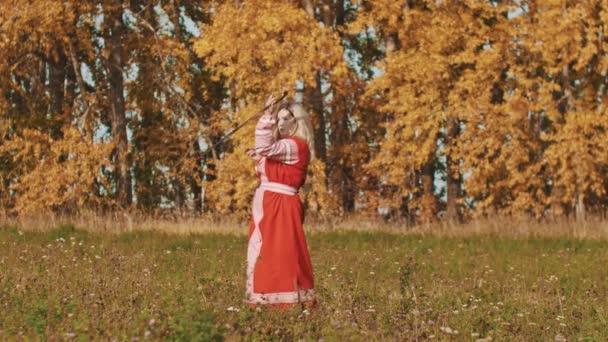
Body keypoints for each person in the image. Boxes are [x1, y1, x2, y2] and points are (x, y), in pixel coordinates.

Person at [245, 94, 316, 308]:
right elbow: (268, 155)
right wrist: (260, 157)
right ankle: (265, 305)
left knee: (283, 256)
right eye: (279, 118)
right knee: (264, 255)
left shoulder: (296, 145)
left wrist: (266, 115)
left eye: (287, 119)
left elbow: (266, 148)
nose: (281, 123)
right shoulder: (284, 147)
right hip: (268, 205)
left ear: (298, 122)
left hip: (281, 206)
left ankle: (286, 307)